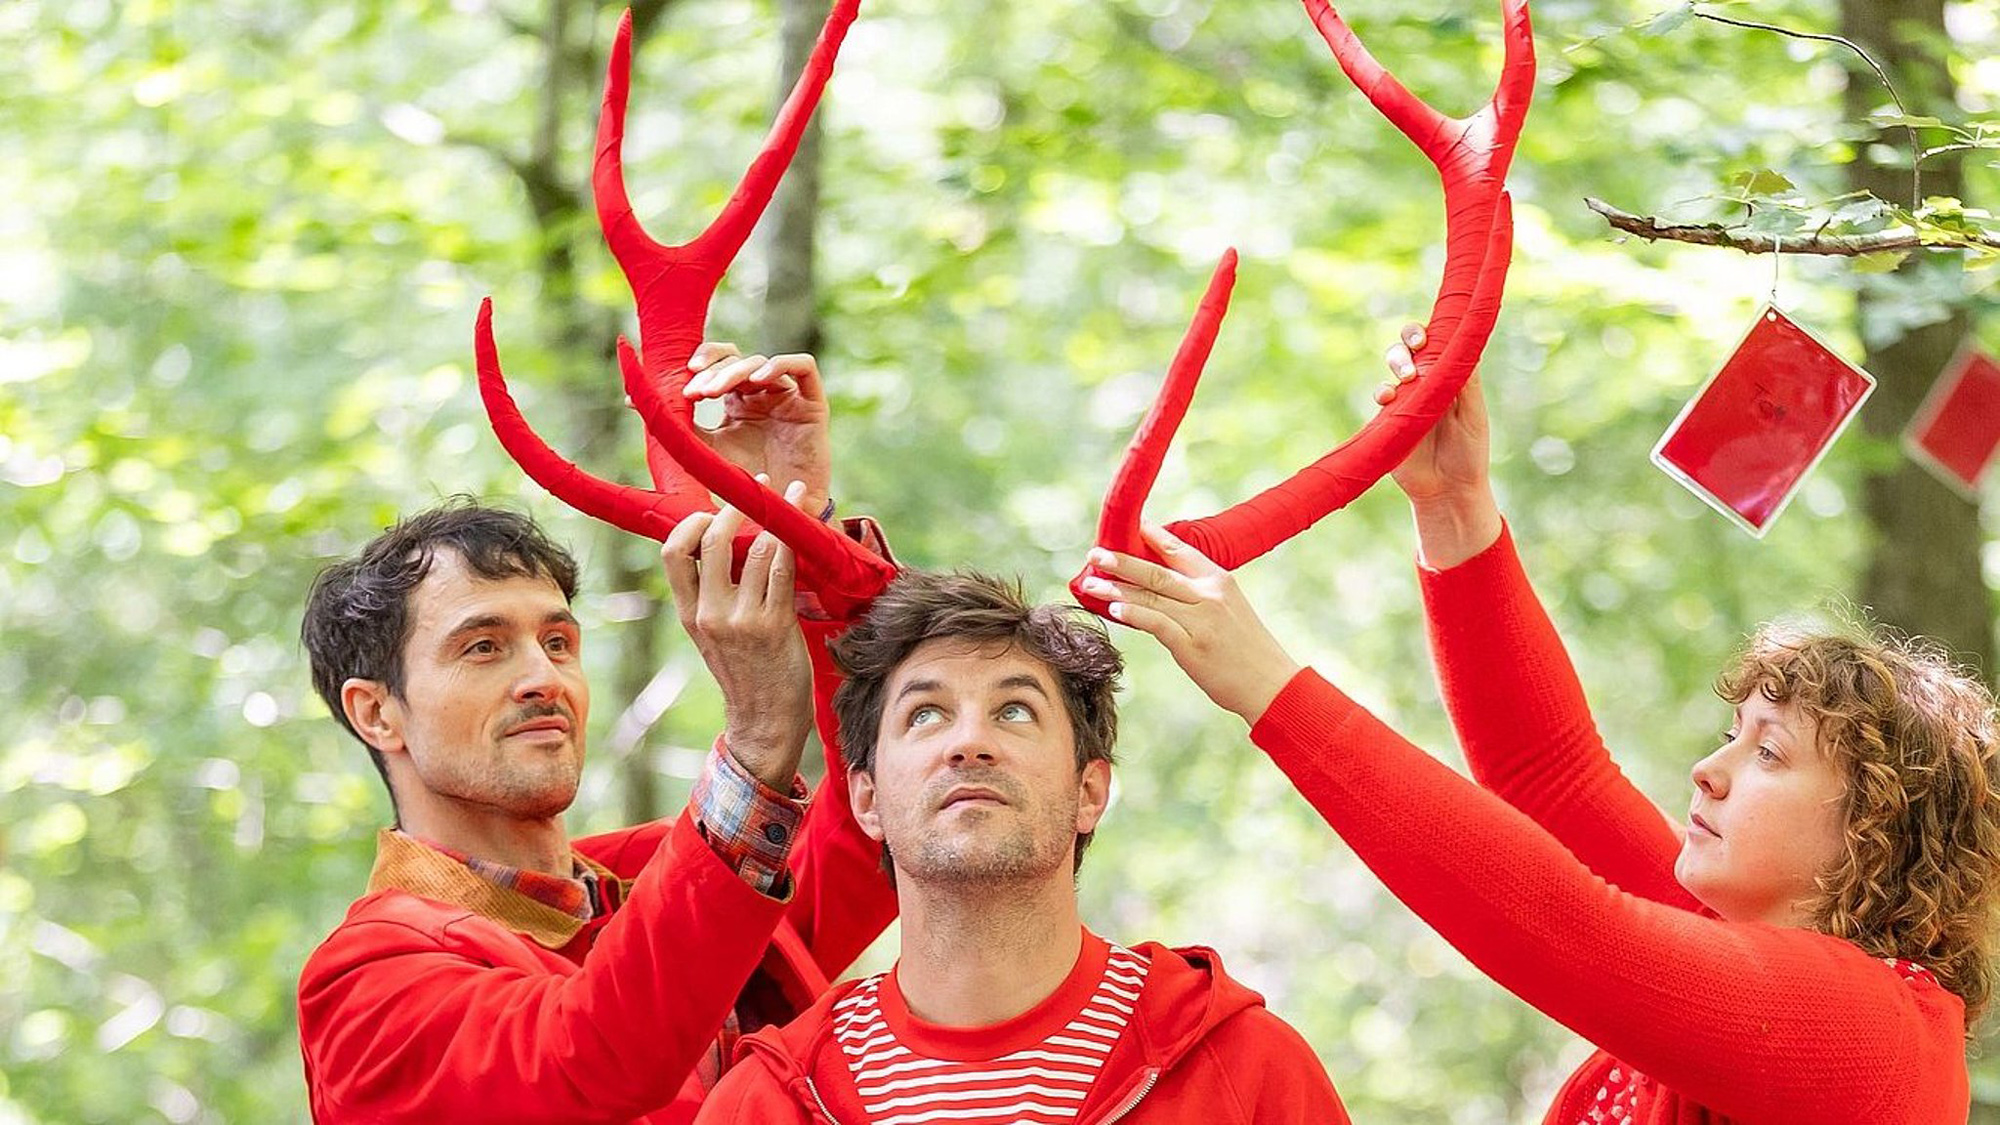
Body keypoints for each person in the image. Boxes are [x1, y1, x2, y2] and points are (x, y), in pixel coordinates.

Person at [1081, 323, 2000, 1124]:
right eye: (1734, 734)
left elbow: (1574, 930)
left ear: (1878, 829)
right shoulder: (1742, 945)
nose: (1708, 771)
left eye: (1769, 751)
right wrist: (1453, 503)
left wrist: (1267, 683)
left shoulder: (1881, 1037)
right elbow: (1547, 769)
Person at [296, 344, 896, 1123]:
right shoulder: (366, 981)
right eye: (483, 647)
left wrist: (792, 531)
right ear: (377, 712)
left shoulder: (652, 873)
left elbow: (884, 829)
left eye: (557, 641)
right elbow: (592, 1058)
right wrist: (755, 742)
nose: (542, 676)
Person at [693, 569, 1350, 1124]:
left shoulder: (1248, 1067)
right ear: (867, 801)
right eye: (925, 713)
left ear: (1089, 790)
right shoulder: (764, 1102)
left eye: (1014, 711)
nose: (969, 742)